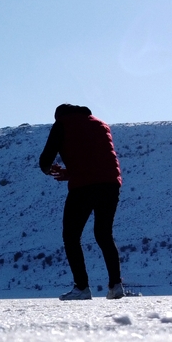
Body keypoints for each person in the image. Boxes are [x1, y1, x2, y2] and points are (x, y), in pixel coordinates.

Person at [38, 104, 125, 301]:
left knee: (71, 236)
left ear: (60, 115)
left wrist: (47, 168)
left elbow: (47, 157)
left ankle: (82, 287)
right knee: (104, 234)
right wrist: (70, 174)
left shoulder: (62, 124)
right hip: (111, 184)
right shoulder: (101, 124)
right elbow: (95, 163)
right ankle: (116, 285)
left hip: (84, 187)